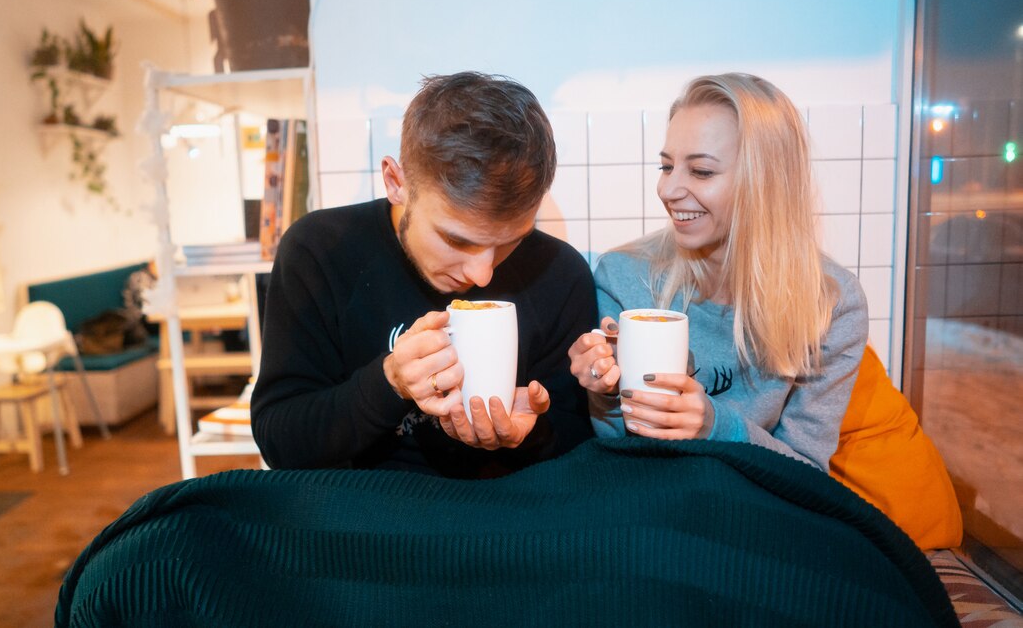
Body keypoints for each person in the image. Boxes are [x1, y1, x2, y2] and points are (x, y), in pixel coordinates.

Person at [252, 71, 596, 478]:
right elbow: (281, 441)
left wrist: (531, 434)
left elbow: (580, 452)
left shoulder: (560, 273)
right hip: (362, 519)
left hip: (504, 525)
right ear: (397, 182)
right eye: (457, 240)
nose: (482, 275)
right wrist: (389, 383)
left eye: (510, 241)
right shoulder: (320, 252)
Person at [568, 73, 868, 471]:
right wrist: (604, 392)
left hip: (753, 508)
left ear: (765, 182)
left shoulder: (832, 302)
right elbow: (616, 447)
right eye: (666, 166)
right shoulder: (624, 275)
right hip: (646, 494)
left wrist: (714, 425)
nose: (668, 190)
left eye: (701, 172)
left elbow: (807, 473)